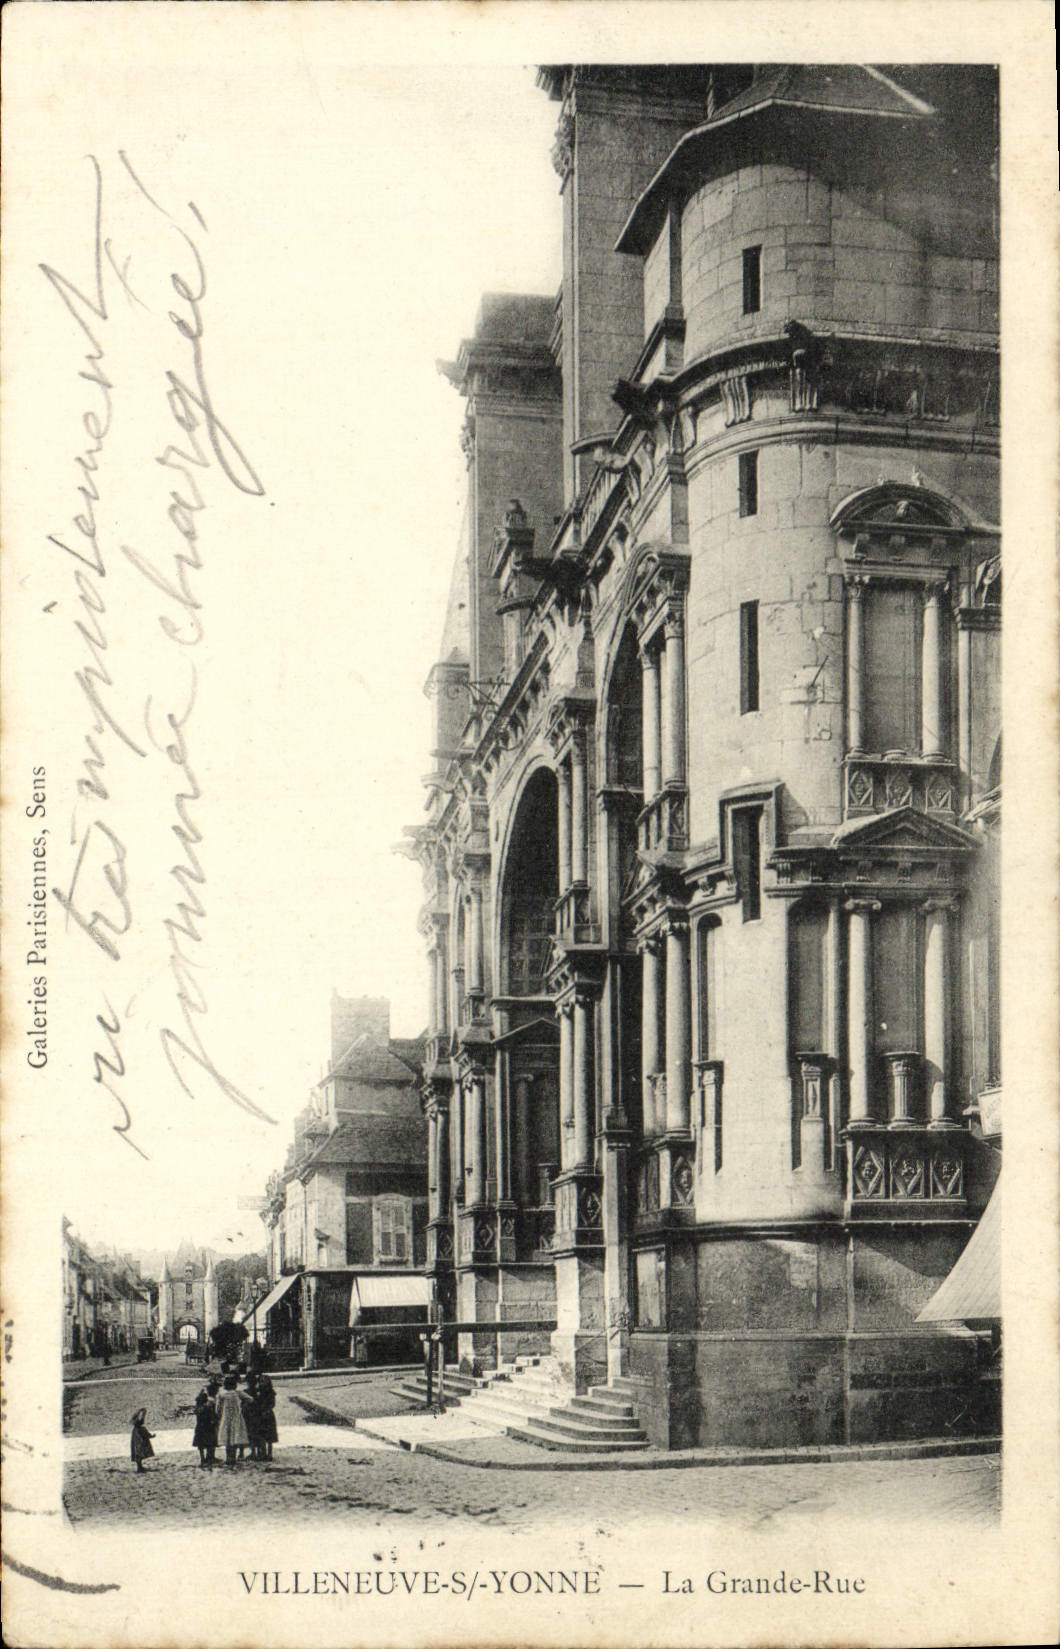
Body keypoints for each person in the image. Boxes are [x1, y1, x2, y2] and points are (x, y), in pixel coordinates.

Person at [215, 1374, 249, 1467]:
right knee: (235, 1436)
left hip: (226, 1417)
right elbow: (250, 1399)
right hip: (236, 1417)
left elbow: (217, 1409)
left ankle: (228, 1458)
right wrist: (242, 1405)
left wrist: (218, 1415)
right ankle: (233, 1457)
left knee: (227, 1437)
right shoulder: (238, 1393)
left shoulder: (221, 1394)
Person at [192, 1379, 220, 1468]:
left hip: (200, 1428)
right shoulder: (208, 1407)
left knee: (200, 1444)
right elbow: (213, 1416)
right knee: (211, 1443)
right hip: (209, 1428)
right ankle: (210, 1457)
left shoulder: (198, 1409)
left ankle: (203, 1458)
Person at [255, 1373, 278, 1463]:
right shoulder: (259, 1392)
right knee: (262, 1435)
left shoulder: (270, 1392)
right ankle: (263, 1453)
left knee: (268, 1436)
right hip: (262, 1414)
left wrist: (266, 1410)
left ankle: (269, 1454)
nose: (262, 1383)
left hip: (266, 1414)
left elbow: (272, 1404)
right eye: (261, 1381)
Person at [130, 1408, 155, 1473]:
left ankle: (140, 1467)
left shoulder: (137, 1428)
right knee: (139, 1453)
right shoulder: (139, 1428)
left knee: (138, 1453)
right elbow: (145, 1434)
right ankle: (140, 1468)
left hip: (137, 1438)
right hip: (139, 1439)